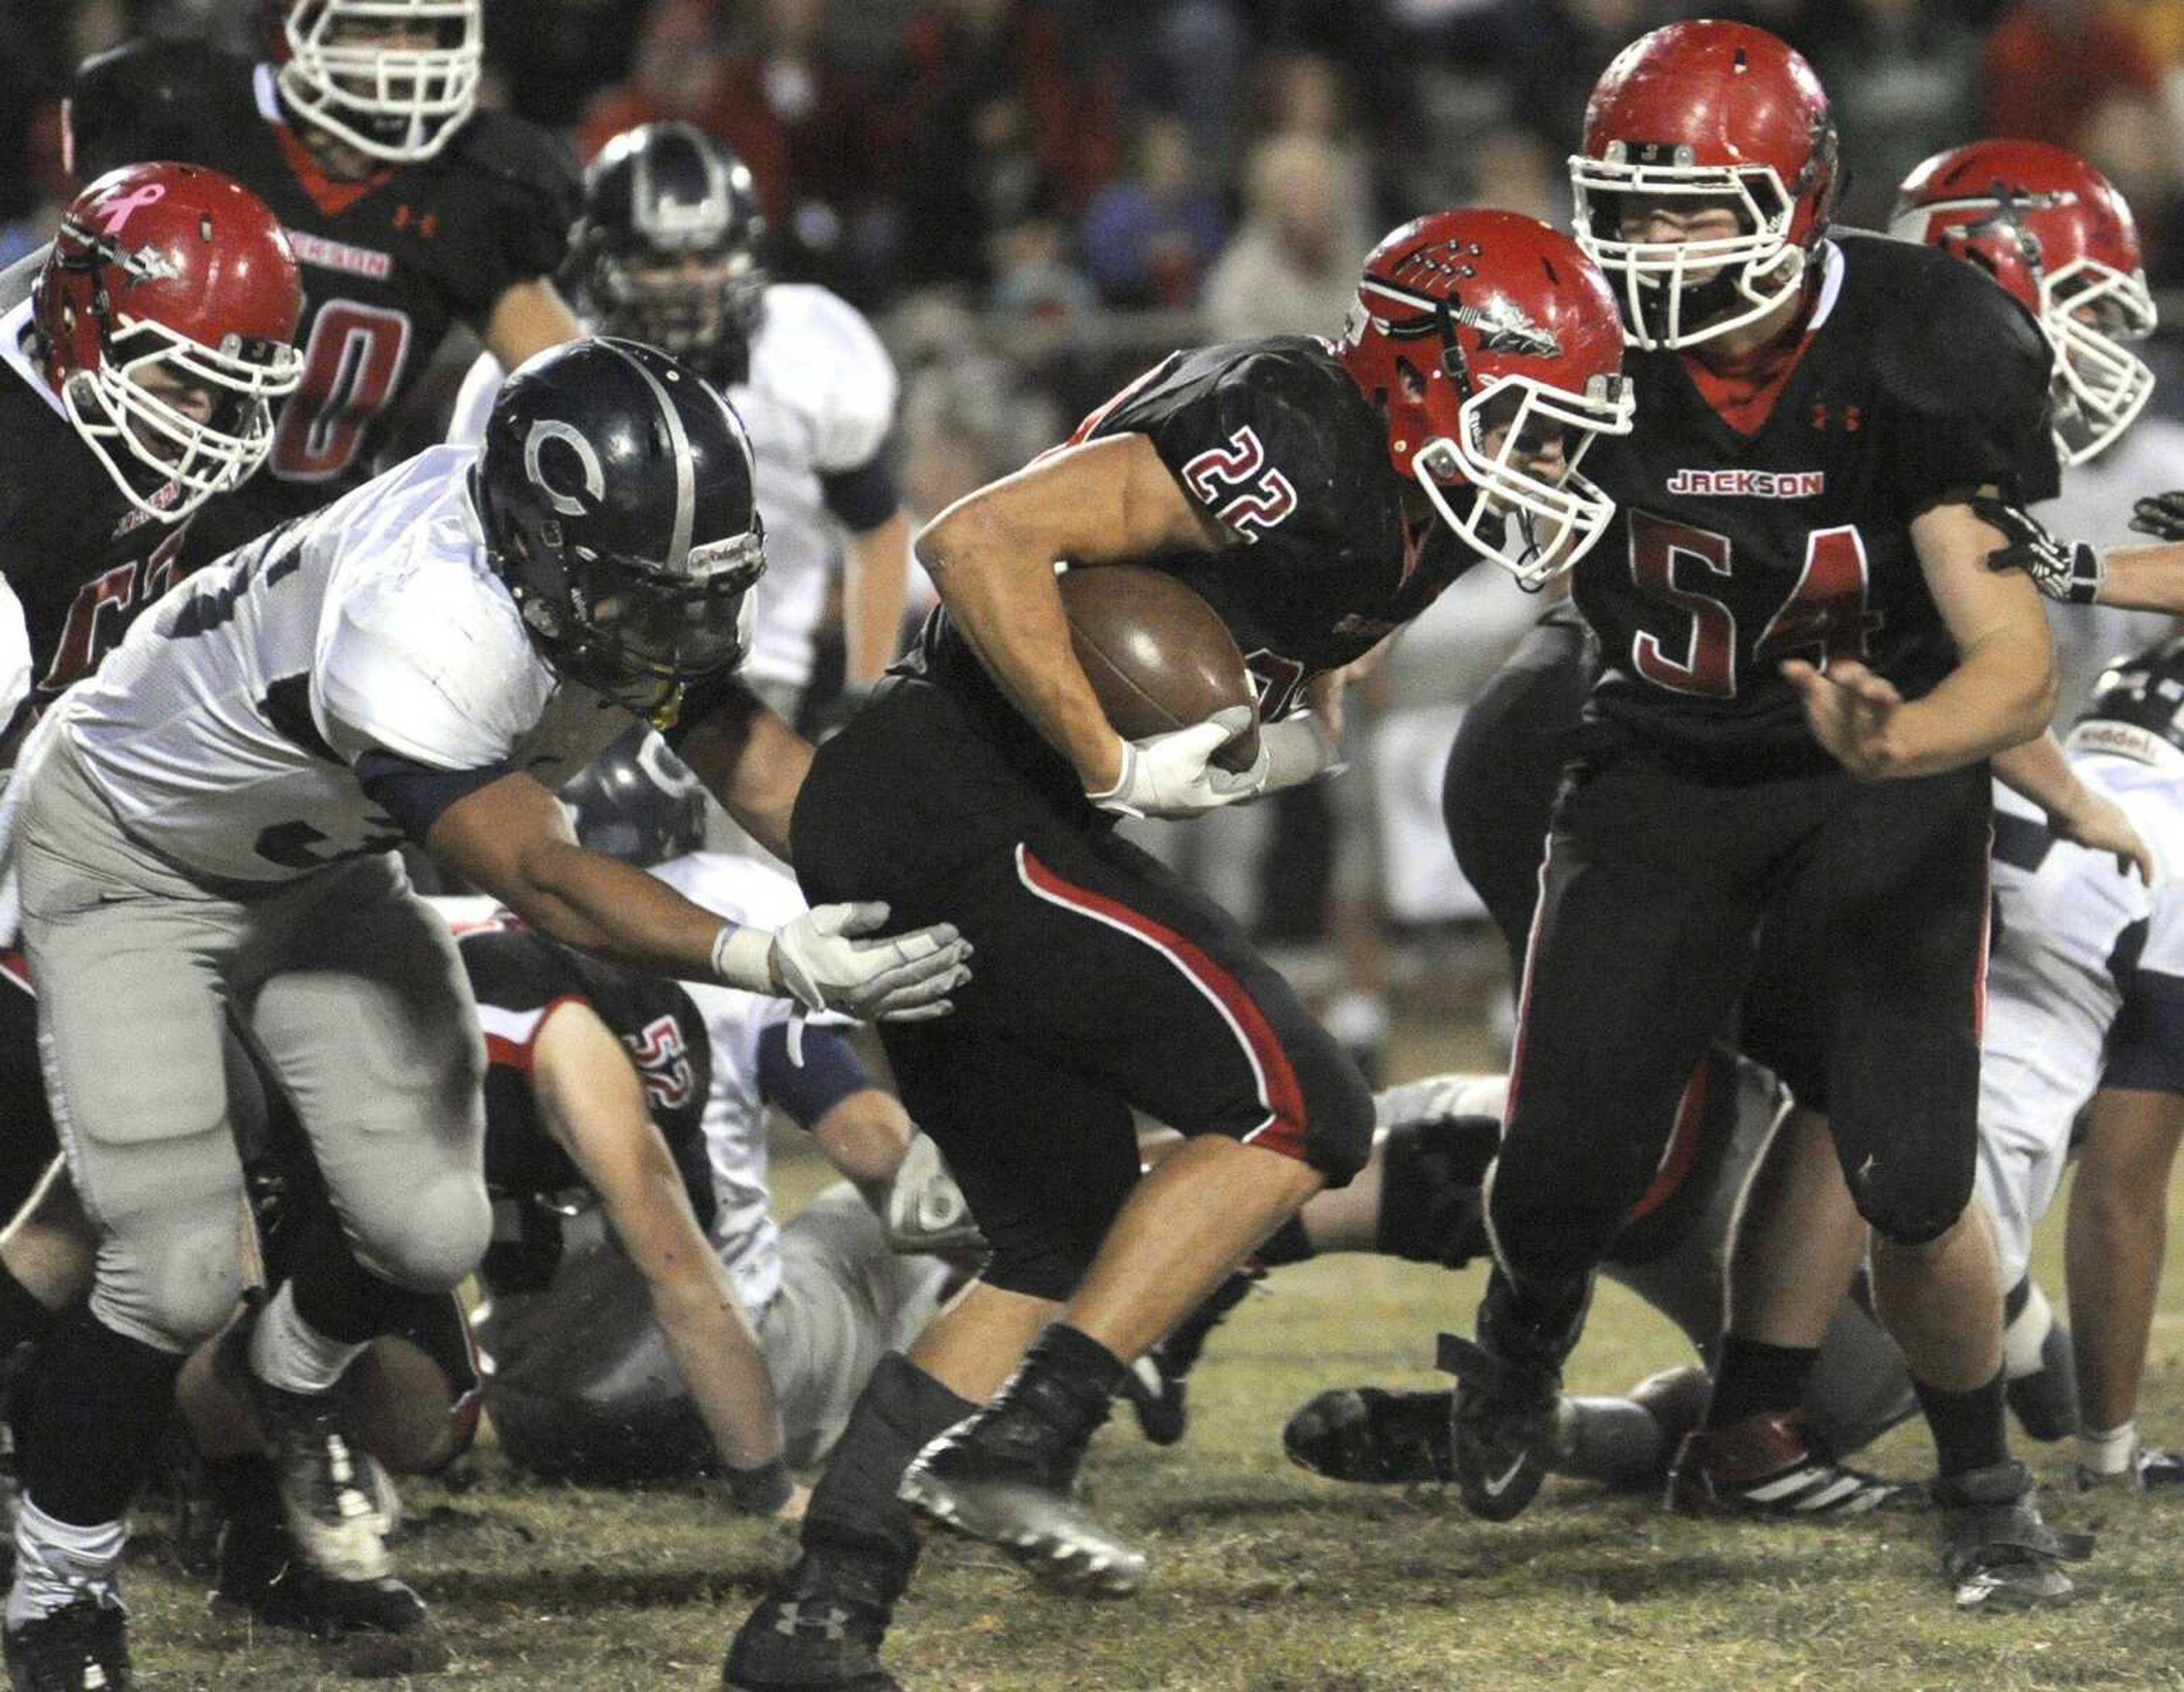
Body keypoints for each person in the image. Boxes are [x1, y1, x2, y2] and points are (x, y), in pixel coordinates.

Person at [720, 205, 1636, 1692]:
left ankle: (823, 1605)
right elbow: (980, 537)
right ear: (1427, 372)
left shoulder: (1406, 492)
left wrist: (1309, 705)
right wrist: (1110, 756)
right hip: (962, 786)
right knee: (1306, 1103)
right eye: (1530, 421)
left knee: (1057, 1235)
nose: (1544, 463)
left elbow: (1336, 612)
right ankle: (1036, 1434)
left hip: (982, 806)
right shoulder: (1298, 426)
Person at [0, 336, 969, 1692]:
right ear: (531, 543)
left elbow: (751, 756)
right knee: (160, 1271)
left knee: (425, 1226)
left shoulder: (573, 563)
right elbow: (545, 875)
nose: (666, 631)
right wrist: (769, 953)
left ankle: (286, 1388)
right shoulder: (423, 613)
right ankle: (59, 1592)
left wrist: (961, 883)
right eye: (638, 596)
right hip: (132, 862)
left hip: (313, 868)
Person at [1446, 19, 2082, 1611]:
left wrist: (1905, 735)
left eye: (1693, 208)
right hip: (1657, 769)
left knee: (1917, 1174)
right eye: (1629, 206)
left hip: (1876, 793)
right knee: (1557, 1173)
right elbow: (1436, 502)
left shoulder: (1925, 339)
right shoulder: (1577, 331)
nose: (1650, 248)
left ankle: (1985, 1486)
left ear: (1801, 197)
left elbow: (2016, 659)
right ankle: (1521, 1337)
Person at [65, 0, 583, 572]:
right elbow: (59, 294)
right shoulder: (186, 114)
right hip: (122, 519)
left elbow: (578, 384)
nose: (406, 53)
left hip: (305, 559)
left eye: (423, 30)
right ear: (293, 22)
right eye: (375, 25)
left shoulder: (473, 186)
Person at [449, 121, 912, 728]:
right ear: (604, 258)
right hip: (567, 675)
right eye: (663, 259)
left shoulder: (807, 351)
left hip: (753, 679)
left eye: (711, 255)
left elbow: (877, 530)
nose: (693, 280)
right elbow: (466, 546)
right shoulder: (539, 367)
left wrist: (867, 695)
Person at [0, 162, 303, 758]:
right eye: (179, 374)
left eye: (225, 386)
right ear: (76, 326)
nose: (199, 413)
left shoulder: (115, 340)